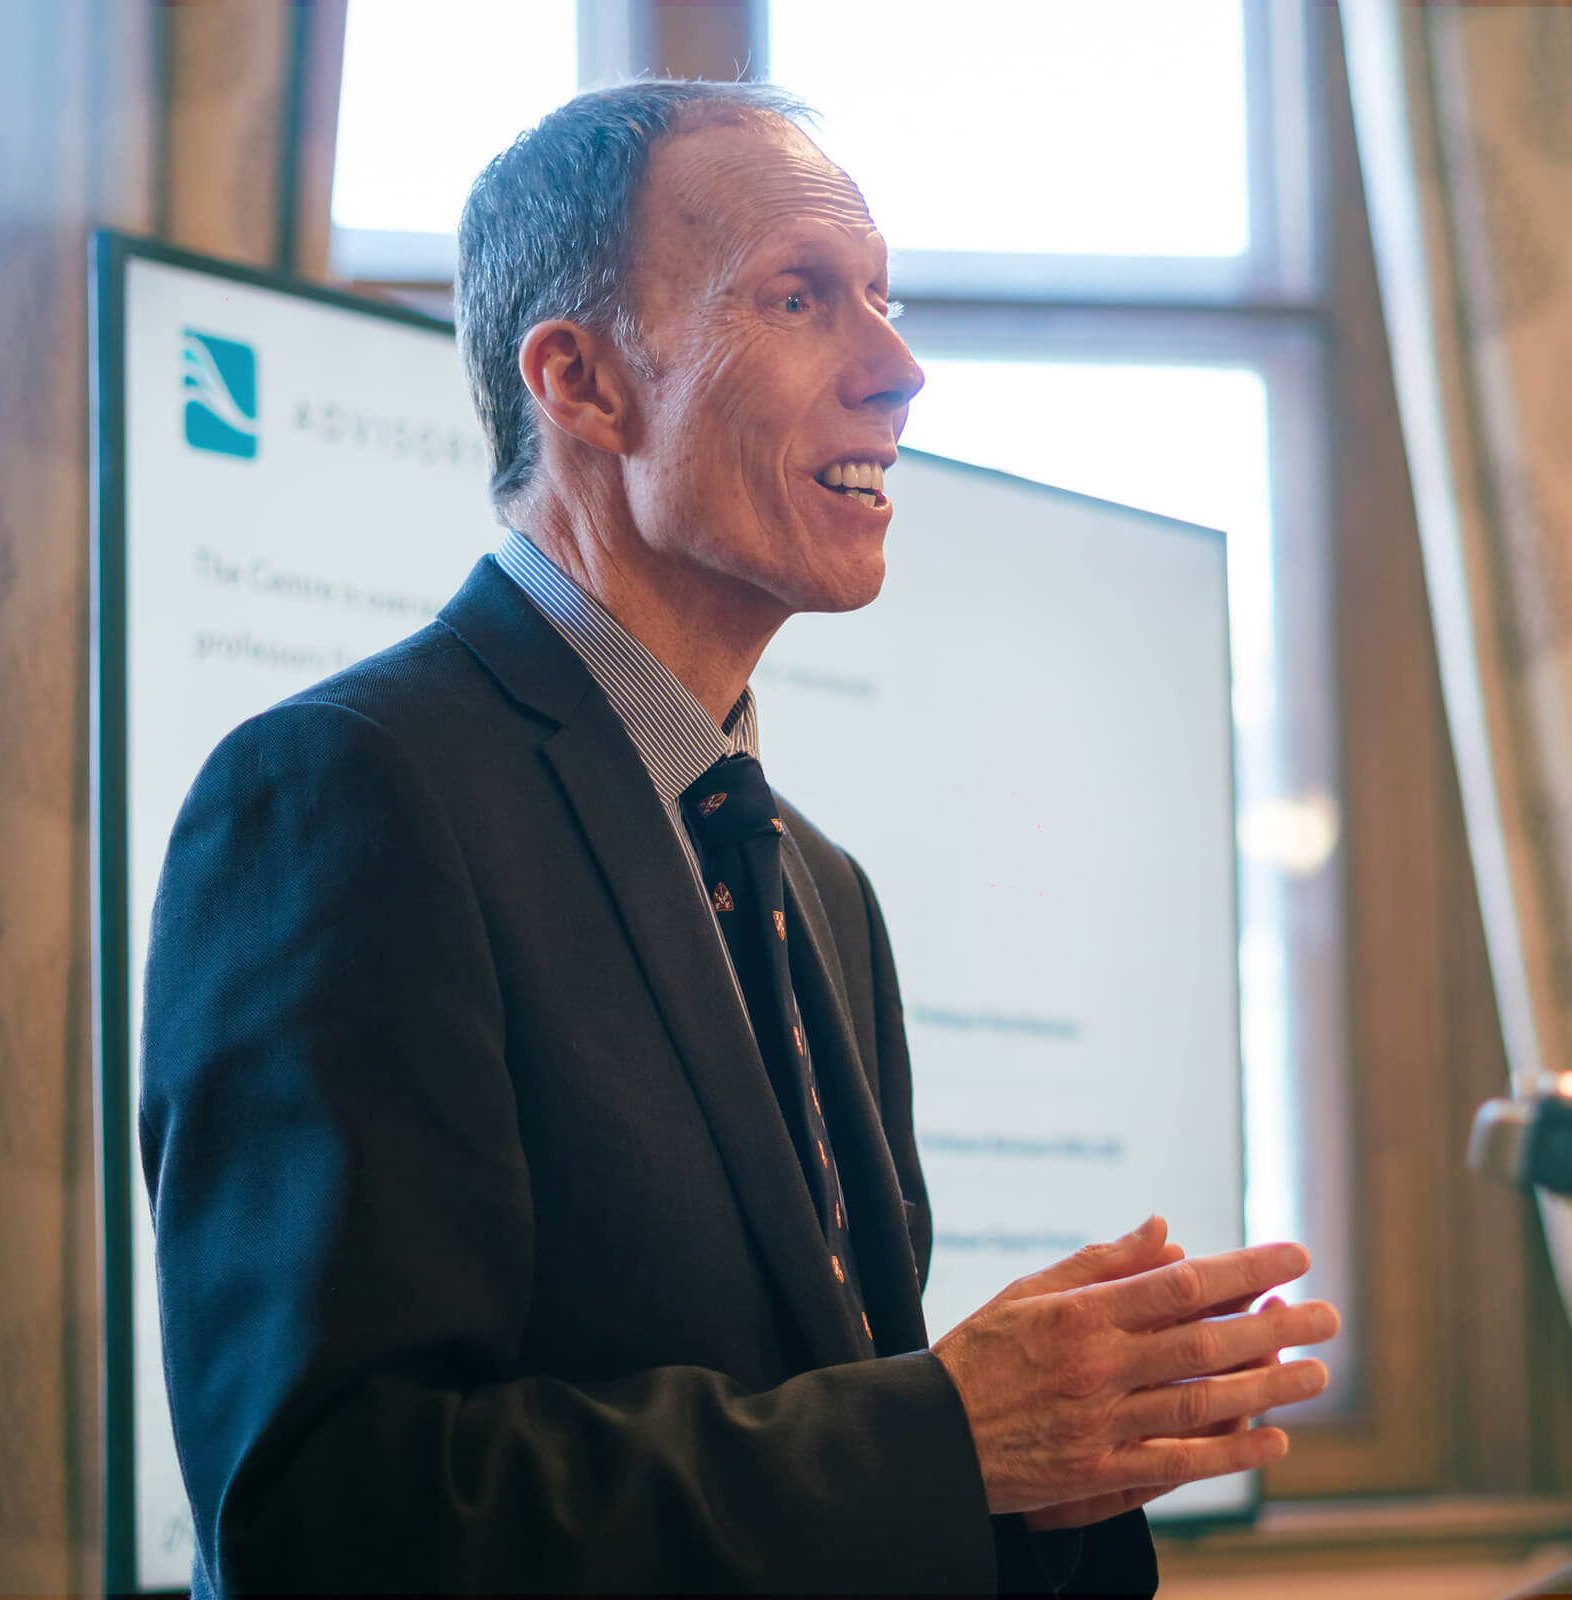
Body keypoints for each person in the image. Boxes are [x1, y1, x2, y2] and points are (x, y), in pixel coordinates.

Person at [140, 80, 1338, 1596]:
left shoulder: (821, 889)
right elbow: (328, 1521)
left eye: (885, 300)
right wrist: (948, 1436)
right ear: (582, 383)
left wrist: (1048, 1481)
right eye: (799, 297)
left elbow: (839, 1473)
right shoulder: (340, 794)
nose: (899, 369)